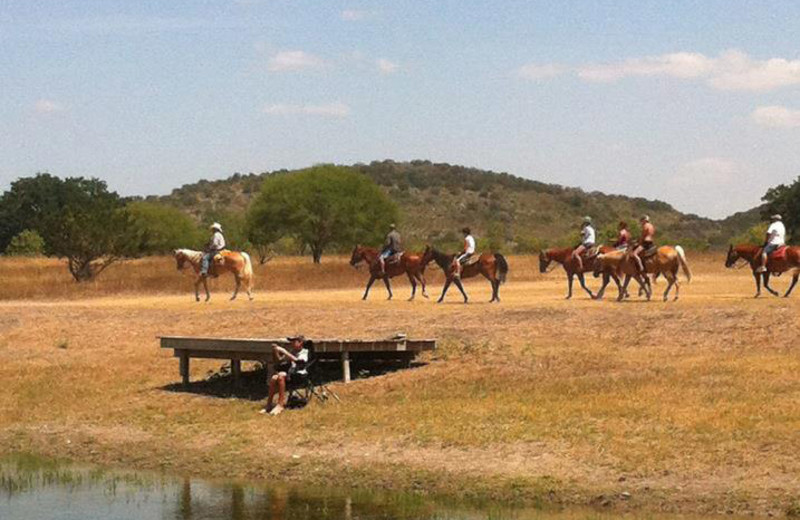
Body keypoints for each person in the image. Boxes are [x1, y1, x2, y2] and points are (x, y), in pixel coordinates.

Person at [262, 335, 309, 416]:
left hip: (300, 376)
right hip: (291, 375)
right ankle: (269, 405)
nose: (291, 343)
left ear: (300, 342)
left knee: (280, 376)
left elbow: (300, 363)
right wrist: (276, 352)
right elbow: (279, 362)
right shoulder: (292, 351)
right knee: (274, 378)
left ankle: (280, 405)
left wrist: (284, 351)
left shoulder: (305, 352)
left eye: (294, 341)